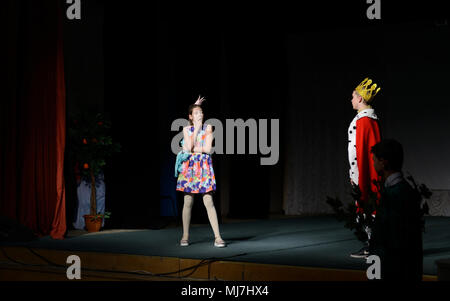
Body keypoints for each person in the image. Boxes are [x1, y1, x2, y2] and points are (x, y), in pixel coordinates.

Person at [176, 96, 226, 248]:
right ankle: (185, 236)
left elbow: (207, 149)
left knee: (208, 201)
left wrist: (192, 148)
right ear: (190, 117)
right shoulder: (186, 129)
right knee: (188, 201)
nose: (200, 114)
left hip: (203, 166)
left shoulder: (209, 127)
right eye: (196, 112)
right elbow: (188, 147)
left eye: (201, 112)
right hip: (189, 167)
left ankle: (218, 237)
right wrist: (196, 129)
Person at [369, 139, 423, 281]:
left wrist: (373, 273)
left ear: (383, 162)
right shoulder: (405, 190)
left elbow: (387, 239)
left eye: (374, 160)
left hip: (392, 269)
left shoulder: (395, 194)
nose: (373, 164)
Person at [348, 77, 382, 258]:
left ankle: (372, 245)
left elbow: (363, 153)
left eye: (353, 96)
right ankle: (373, 243)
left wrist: (360, 176)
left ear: (360, 98)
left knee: (368, 207)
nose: (351, 99)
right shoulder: (367, 120)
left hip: (366, 173)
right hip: (363, 172)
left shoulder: (364, 122)